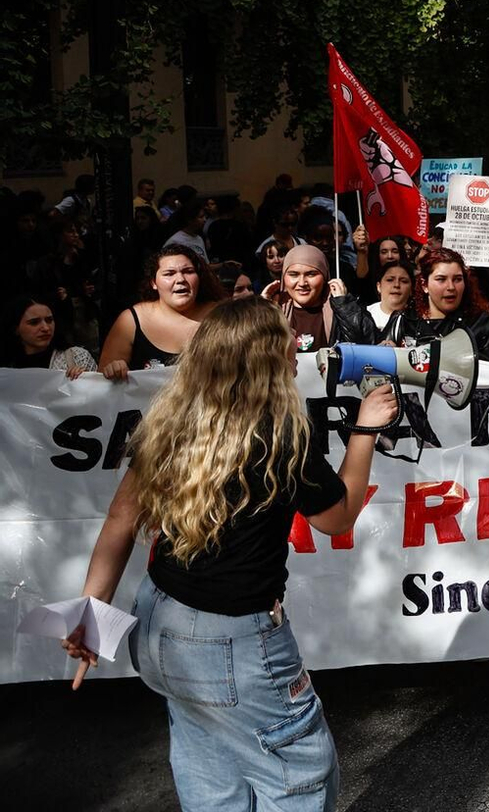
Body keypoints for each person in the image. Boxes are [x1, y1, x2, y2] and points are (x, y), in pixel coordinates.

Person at [62, 297, 396, 809]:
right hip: (232, 643)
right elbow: (337, 518)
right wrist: (365, 430)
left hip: (156, 624)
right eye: (285, 336)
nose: (295, 345)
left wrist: (88, 619)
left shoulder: (169, 420)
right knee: (300, 774)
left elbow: (120, 521)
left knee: (210, 777)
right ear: (266, 357)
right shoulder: (282, 435)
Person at [392, 246, 489, 370]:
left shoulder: (481, 324)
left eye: (457, 279)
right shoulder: (404, 320)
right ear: (424, 285)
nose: (451, 287)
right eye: (441, 279)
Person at [99, 245, 224, 377]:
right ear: (153, 282)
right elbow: (102, 380)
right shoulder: (131, 320)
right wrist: (113, 369)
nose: (181, 279)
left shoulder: (222, 315)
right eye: (169, 274)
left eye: (188, 271)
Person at [261, 245, 378, 351]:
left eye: (311, 274)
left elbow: (366, 344)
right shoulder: (275, 307)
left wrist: (344, 306)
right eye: (294, 274)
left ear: (325, 276)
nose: (302, 283)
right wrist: (262, 310)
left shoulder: (341, 306)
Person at [3, 295, 96, 376]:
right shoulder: (7, 368)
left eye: (49, 320)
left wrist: (85, 382)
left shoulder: (77, 357)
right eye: (34, 322)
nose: (46, 328)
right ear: (16, 329)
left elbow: (97, 393)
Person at [367, 260, 412, 333]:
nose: (396, 285)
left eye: (403, 281)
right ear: (379, 286)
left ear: (411, 289)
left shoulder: (419, 320)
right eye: (390, 280)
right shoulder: (365, 315)